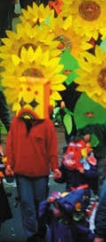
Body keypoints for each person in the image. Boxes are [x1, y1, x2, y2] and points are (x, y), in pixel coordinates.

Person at [6, 102, 62, 241]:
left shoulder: (47, 124)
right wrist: (9, 165)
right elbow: (10, 145)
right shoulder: (16, 122)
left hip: (40, 173)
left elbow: (52, 148)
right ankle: (31, 235)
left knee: (40, 204)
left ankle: (42, 228)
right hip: (21, 172)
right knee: (27, 204)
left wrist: (55, 167)